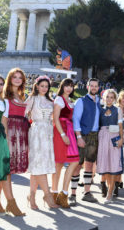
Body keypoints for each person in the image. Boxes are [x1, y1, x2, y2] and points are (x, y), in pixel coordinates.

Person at [25, 75, 58, 209]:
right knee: (38, 164)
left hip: (48, 134)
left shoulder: (51, 101)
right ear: (37, 86)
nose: (44, 88)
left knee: (38, 166)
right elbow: (24, 114)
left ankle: (31, 196)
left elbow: (53, 119)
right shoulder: (32, 99)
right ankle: (47, 195)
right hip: (36, 132)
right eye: (42, 86)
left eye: (46, 86)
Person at [1, 68, 28, 216]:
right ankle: (11, 203)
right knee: (6, 170)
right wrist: (5, 139)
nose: (17, 80)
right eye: (14, 77)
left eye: (20, 77)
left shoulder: (21, 95)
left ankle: (0, 202)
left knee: (6, 170)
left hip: (19, 135)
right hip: (9, 134)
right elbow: (4, 119)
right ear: (9, 79)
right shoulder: (5, 96)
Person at [52, 78, 81, 208]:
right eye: (66, 86)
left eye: (71, 86)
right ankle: (54, 194)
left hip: (69, 131)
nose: (69, 88)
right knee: (58, 164)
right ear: (62, 87)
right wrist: (63, 135)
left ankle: (63, 193)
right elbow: (55, 118)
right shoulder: (59, 99)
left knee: (75, 161)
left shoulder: (71, 101)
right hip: (60, 131)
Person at [72, 78, 101, 204]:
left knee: (89, 164)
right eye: (91, 85)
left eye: (96, 86)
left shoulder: (100, 101)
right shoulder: (81, 101)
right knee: (78, 164)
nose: (94, 88)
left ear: (98, 88)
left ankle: (87, 192)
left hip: (95, 136)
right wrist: (78, 137)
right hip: (83, 135)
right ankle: (72, 194)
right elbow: (76, 119)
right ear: (87, 86)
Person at [96, 89, 124, 204]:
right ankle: (108, 188)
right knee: (105, 165)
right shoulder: (100, 109)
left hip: (114, 136)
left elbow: (120, 126)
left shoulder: (118, 110)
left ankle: (110, 193)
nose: (109, 99)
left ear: (115, 99)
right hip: (102, 137)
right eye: (107, 97)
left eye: (112, 97)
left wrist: (122, 139)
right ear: (104, 97)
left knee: (113, 164)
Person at [112, 90, 124, 197]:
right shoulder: (115, 107)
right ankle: (114, 183)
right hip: (115, 135)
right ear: (119, 97)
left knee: (120, 159)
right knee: (114, 159)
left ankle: (118, 181)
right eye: (123, 98)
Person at [0, 74, 11, 215]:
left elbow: (4, 123)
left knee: (1, 170)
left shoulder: (4, 102)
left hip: (0, 137)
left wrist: (5, 141)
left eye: (1, 84)